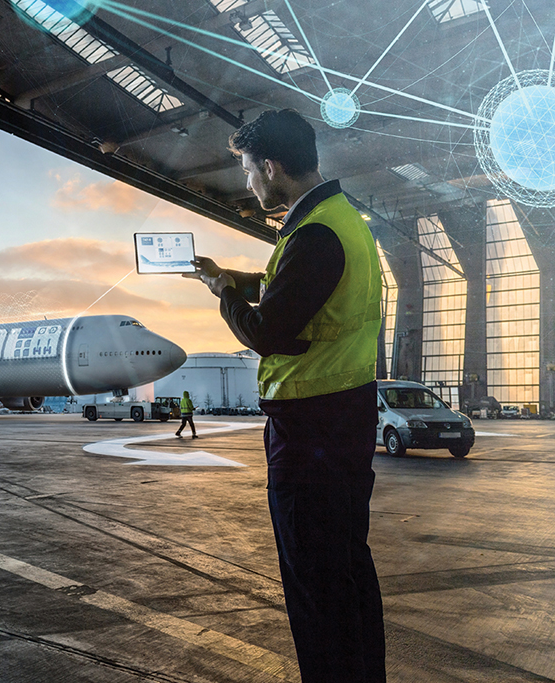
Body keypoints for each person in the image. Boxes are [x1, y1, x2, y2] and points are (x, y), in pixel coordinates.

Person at [184, 109, 386, 683]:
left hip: (311, 430)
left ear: (271, 167)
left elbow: (268, 331)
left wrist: (226, 298)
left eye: (249, 170)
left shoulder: (314, 234)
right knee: (346, 570)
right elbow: (300, 290)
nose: (248, 183)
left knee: (315, 580)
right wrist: (237, 279)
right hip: (343, 415)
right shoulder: (336, 220)